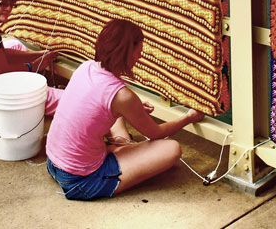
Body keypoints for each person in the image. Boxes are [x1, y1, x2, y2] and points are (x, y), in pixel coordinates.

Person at [45, 18, 204, 200]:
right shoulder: (122, 96)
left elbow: (94, 105)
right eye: (138, 52)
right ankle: (123, 150)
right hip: (80, 181)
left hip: (54, 163)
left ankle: (122, 147)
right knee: (172, 149)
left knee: (114, 118)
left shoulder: (86, 67)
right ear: (126, 53)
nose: (139, 57)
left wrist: (132, 108)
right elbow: (156, 133)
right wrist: (188, 117)